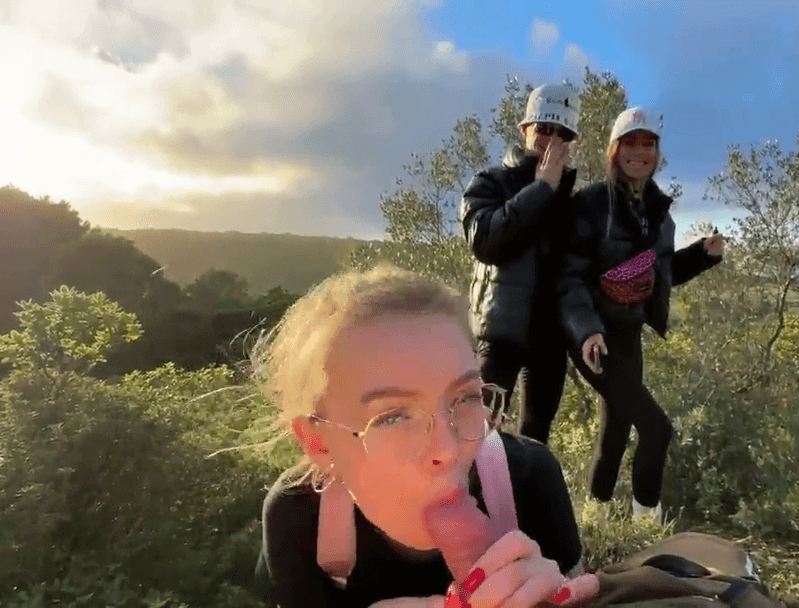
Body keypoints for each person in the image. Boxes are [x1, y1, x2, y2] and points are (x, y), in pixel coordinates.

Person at [253, 266, 598, 608]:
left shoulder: (530, 478)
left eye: (465, 397)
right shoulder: (297, 518)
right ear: (318, 442)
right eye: (394, 417)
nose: (447, 450)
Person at [557, 107, 725, 520]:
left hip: (628, 333)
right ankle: (645, 525)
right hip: (595, 337)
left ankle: (594, 519)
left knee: (616, 427)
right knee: (657, 428)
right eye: (630, 142)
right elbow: (570, 279)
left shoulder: (658, 214)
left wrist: (701, 255)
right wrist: (585, 331)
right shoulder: (592, 204)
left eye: (647, 143)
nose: (639, 151)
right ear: (614, 150)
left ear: (656, 152)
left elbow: (660, 274)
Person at [460, 83, 579, 444]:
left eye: (562, 133)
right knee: (475, 435)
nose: (551, 141)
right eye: (544, 129)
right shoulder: (490, 182)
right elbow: (485, 242)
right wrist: (541, 187)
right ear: (524, 130)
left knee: (535, 444)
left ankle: (519, 502)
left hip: (550, 344)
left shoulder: (572, 201)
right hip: (498, 338)